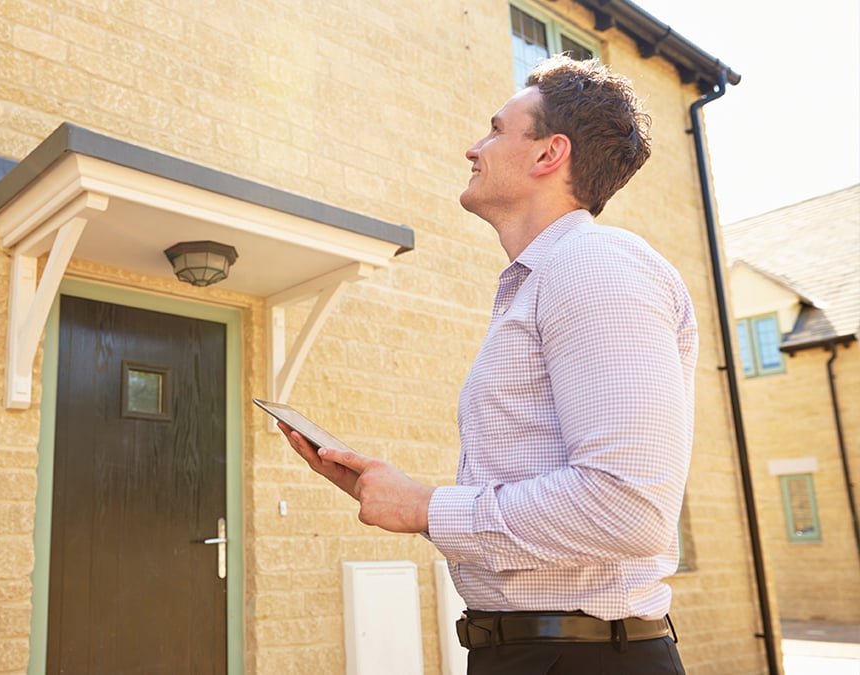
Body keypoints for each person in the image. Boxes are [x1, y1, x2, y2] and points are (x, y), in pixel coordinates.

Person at [278, 55, 697, 674]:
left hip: (583, 661)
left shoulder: (597, 267)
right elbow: (545, 515)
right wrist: (398, 497)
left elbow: (628, 507)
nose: (474, 148)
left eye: (496, 130)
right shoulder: (545, 281)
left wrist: (426, 505)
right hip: (528, 652)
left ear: (547, 155)